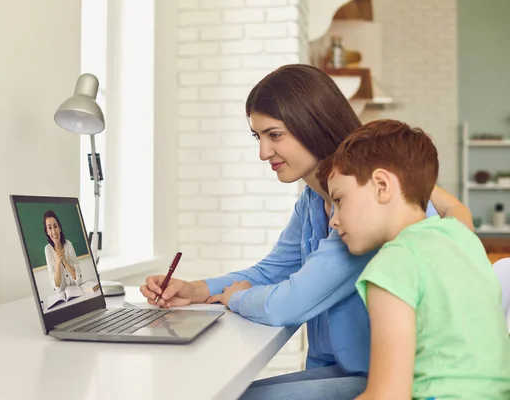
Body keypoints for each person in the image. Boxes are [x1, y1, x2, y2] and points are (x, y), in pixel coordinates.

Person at [140, 64, 473, 399]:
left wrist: (236, 297)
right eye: (258, 137)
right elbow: (273, 270)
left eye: (275, 135)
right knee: (228, 392)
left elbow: (289, 303)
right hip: (351, 369)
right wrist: (197, 289)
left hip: (395, 383)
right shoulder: (314, 201)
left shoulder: (369, 215)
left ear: (312, 123)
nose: (263, 153)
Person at [316, 119, 510, 399]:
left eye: (340, 200)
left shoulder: (393, 263)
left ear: (382, 185)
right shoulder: (461, 237)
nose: (334, 220)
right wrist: (412, 176)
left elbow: (388, 396)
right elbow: (456, 208)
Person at [43, 209, 82, 293]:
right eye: (50, 228)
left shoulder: (68, 245)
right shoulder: (47, 250)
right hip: (62, 298)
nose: (54, 231)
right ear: (47, 232)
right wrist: (57, 263)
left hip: (77, 293)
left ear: (60, 228)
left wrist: (65, 262)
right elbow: (56, 287)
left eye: (55, 226)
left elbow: (79, 279)